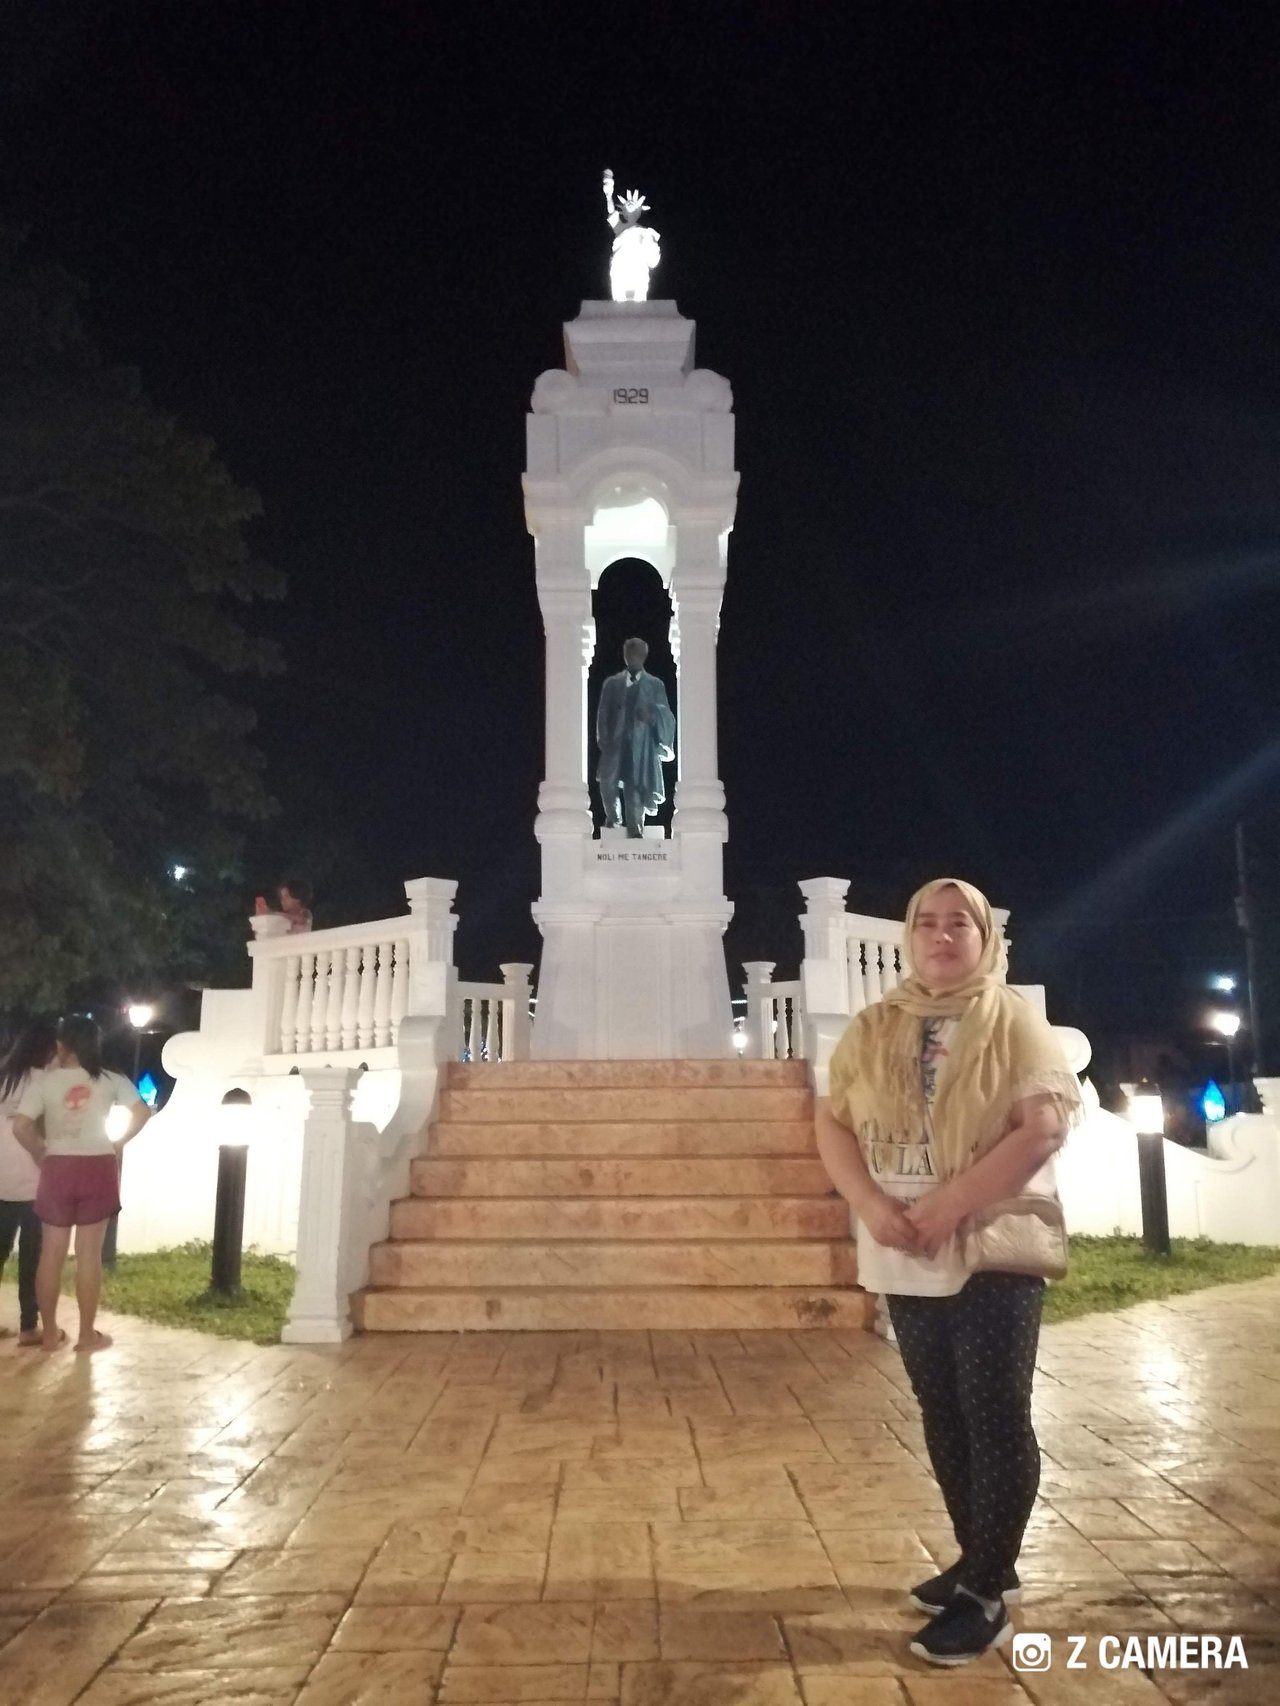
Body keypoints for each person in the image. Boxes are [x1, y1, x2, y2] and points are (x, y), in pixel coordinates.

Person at [815, 878, 1082, 1667]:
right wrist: (869, 1201)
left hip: (992, 1243)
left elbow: (1041, 1129)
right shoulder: (876, 1024)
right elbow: (831, 1121)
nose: (940, 935)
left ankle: (987, 1595)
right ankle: (980, 1556)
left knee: (993, 1409)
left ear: (984, 936)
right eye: (926, 923)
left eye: (956, 923)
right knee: (941, 1409)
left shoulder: (1013, 1023)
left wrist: (946, 1207)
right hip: (903, 1244)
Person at [12, 1015, 151, 1352]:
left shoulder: (45, 1083)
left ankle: (48, 1335)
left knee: (51, 1253)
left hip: (57, 1167)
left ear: (61, 1045)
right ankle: (87, 1336)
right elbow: (141, 1112)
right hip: (97, 1166)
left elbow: (21, 1126)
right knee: (89, 1255)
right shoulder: (109, 1078)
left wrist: (40, 1152)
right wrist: (118, 1143)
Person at [0, 1019, 57, 1344]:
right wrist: (41, 1154)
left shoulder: (4, 1077)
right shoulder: (46, 1082)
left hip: (1, 1179)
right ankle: (28, 1327)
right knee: (33, 1256)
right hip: (36, 1180)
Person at [595, 638, 676, 837]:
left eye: (635, 653)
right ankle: (614, 818)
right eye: (628, 653)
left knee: (635, 785)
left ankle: (635, 827)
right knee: (607, 783)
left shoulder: (654, 684)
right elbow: (603, 712)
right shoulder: (612, 684)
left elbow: (666, 713)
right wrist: (603, 737)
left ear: (642, 656)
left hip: (641, 746)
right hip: (615, 743)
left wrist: (653, 715)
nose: (631, 656)